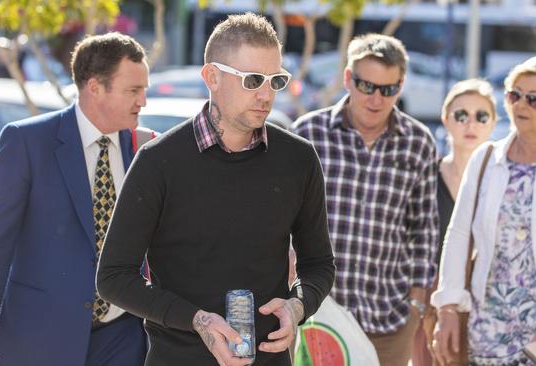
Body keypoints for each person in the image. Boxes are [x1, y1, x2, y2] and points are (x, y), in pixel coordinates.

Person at [96, 13, 335, 366]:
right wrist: (198, 320)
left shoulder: (298, 159)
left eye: (276, 80)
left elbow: (318, 264)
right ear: (212, 77)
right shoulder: (158, 161)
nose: (266, 94)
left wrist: (297, 305)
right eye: (253, 80)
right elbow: (114, 277)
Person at [0, 32, 150, 366]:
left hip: (124, 339)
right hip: (40, 341)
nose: (143, 101)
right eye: (133, 90)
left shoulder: (145, 149)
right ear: (94, 87)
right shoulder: (27, 143)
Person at [431, 56, 536, 365]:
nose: (521, 105)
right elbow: (457, 235)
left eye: (534, 99)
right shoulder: (485, 158)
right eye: (514, 94)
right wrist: (446, 306)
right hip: (490, 327)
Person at [292, 33, 439, 366]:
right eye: (366, 86)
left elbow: (424, 231)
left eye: (388, 89)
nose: (376, 98)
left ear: (401, 85)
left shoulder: (418, 143)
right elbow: (283, 220)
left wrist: (416, 305)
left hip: (388, 318)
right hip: (317, 313)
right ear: (347, 78)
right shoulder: (308, 134)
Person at [411, 78, 498, 366]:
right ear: (446, 120)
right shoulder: (427, 176)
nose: (470, 124)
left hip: (486, 296)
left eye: (481, 116)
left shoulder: (502, 181)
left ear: (493, 123)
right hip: (430, 294)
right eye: (461, 115)